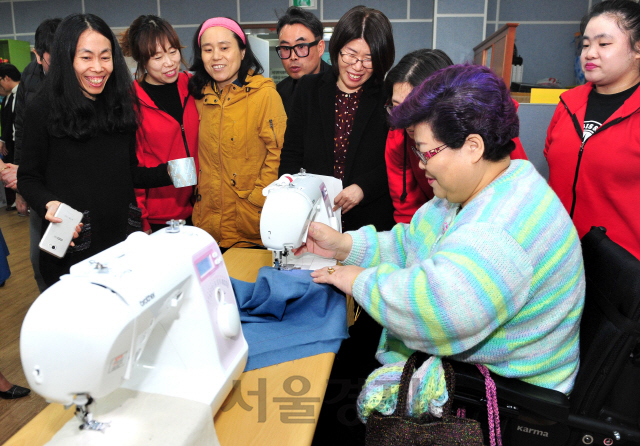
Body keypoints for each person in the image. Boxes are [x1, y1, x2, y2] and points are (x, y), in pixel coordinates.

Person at [301, 64, 585, 444]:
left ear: (472, 147)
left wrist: (358, 280)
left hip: (505, 397)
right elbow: (411, 244)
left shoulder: (500, 229)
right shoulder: (479, 188)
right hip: (484, 372)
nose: (421, 165)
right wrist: (346, 247)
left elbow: (438, 312)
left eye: (426, 153)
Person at [17, 13, 173, 287]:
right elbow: (28, 179)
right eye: (86, 57)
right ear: (66, 60)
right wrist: (47, 203)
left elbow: (128, 173)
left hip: (122, 242)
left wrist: (171, 172)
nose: (98, 67)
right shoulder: (43, 109)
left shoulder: (119, 105)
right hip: (72, 248)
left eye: (105, 56)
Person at [278, 5, 396, 233]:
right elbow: (291, 153)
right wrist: (288, 198)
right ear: (336, 48)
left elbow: (396, 161)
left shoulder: (387, 96)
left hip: (369, 222)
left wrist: (364, 187)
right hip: (314, 216)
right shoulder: (308, 89)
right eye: (350, 55)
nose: (357, 67)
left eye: (368, 59)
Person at [385, 49, 529, 224]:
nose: (407, 123)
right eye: (397, 107)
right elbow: (406, 208)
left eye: (415, 110)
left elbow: (515, 193)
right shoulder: (397, 137)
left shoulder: (494, 129)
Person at [545, 0, 640, 260]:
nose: (589, 53)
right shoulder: (567, 104)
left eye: (604, 44)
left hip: (622, 272)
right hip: (559, 260)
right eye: (585, 45)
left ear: (637, 49)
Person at [188, 17, 286, 250]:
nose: (216, 56)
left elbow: (278, 154)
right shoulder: (198, 98)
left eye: (224, 47)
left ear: (242, 51)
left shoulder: (264, 95)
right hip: (206, 228)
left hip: (250, 227)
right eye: (207, 50)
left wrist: (257, 200)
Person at [121, 15, 199, 233]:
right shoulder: (132, 102)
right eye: (157, 57)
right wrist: (141, 221)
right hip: (160, 217)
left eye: (173, 51)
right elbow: (133, 169)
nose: (169, 63)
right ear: (142, 60)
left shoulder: (193, 87)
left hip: (202, 209)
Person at [1, 18, 61, 292]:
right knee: (40, 259)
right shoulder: (30, 75)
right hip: (40, 185)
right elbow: (22, 131)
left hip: (69, 183)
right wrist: (23, 188)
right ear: (37, 54)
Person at [275, 6, 330, 116]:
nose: (293, 57)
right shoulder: (278, 93)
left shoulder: (340, 85)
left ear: (320, 48)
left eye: (301, 46)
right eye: (286, 48)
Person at [0, 63, 20, 211]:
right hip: (13, 142)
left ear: (6, 78)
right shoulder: (9, 97)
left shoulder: (23, 93)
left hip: (20, 141)